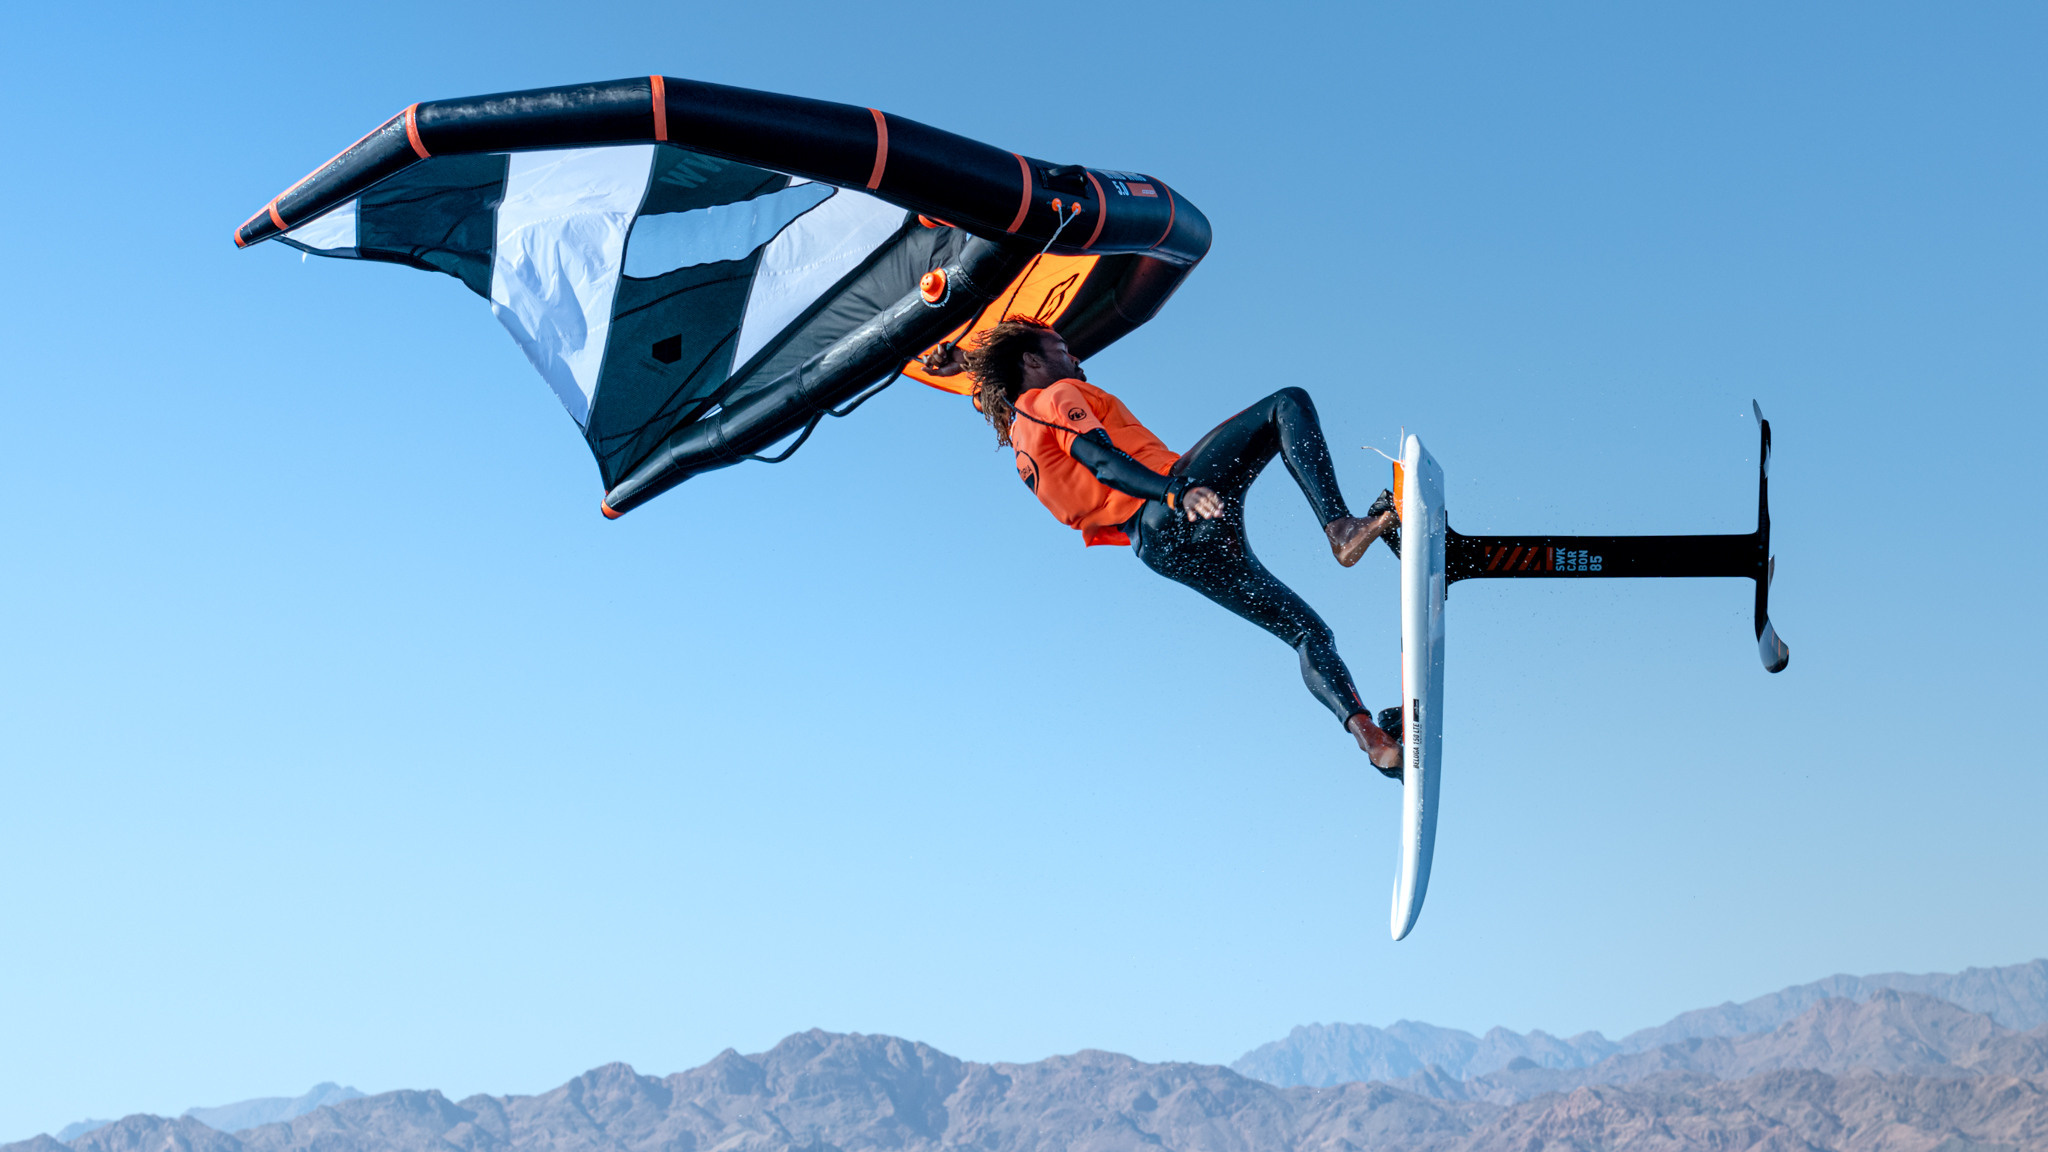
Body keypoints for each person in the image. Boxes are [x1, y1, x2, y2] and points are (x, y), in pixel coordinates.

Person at [923, 318, 1404, 774]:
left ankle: (1374, 741)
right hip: (1171, 502)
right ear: (1031, 362)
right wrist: (1174, 492)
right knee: (1287, 403)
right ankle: (1340, 528)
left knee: (1306, 633)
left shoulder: (1022, 440)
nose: (1076, 361)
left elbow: (1013, 393)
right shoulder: (1052, 398)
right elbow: (1103, 462)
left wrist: (966, 361)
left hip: (1159, 549)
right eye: (1063, 351)